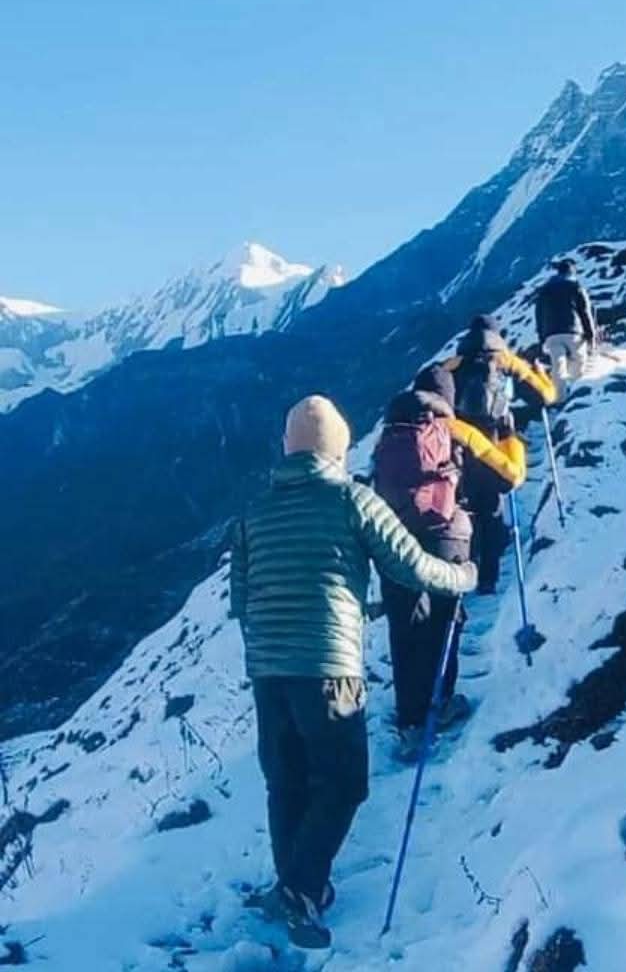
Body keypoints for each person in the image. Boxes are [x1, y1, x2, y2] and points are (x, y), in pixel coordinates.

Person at [230, 395, 476, 949]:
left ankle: (296, 885)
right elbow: (412, 566)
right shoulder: (352, 500)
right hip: (327, 666)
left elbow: (240, 599)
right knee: (343, 782)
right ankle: (300, 889)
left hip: (268, 670)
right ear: (339, 449)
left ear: (288, 447)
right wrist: (463, 576)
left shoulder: (254, 512)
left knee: (286, 782)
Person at [373, 364, 525, 756]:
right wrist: (510, 437)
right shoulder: (456, 429)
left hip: (392, 538)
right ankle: (439, 704)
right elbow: (509, 476)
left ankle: (410, 719)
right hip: (448, 536)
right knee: (445, 620)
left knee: (405, 626)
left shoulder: (388, 434)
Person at [443, 317, 555, 593]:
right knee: (491, 507)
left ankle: (464, 570)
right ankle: (488, 578)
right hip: (495, 445)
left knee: (464, 508)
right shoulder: (506, 361)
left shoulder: (453, 365)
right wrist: (540, 374)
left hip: (458, 446)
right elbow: (544, 396)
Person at [535, 259, 597, 400]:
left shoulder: (545, 290)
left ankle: (560, 398)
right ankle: (576, 396)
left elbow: (538, 314)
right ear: (572, 272)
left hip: (551, 334)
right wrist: (590, 335)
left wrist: (542, 337)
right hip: (574, 333)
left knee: (558, 367)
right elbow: (585, 312)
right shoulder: (576, 287)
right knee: (579, 363)